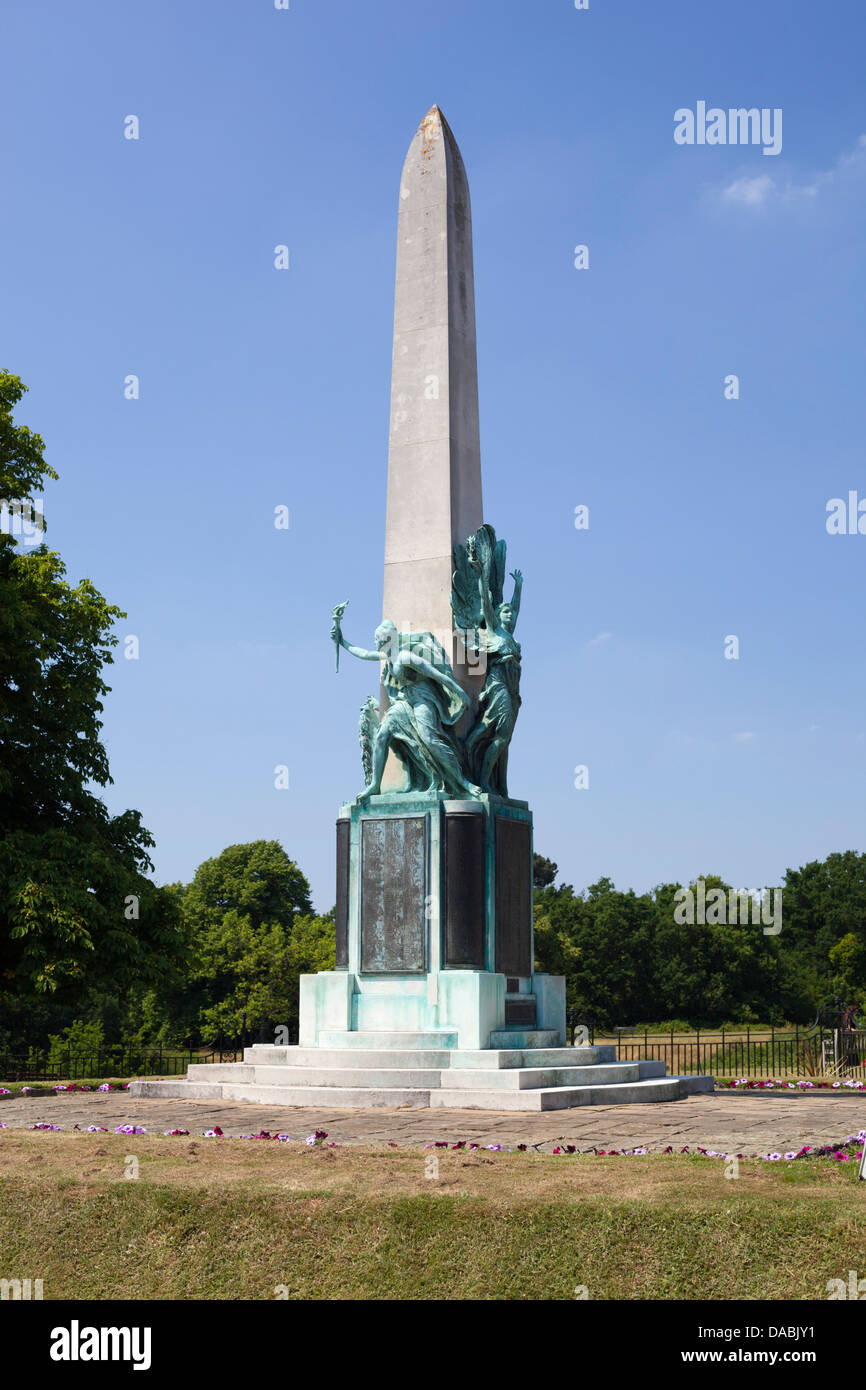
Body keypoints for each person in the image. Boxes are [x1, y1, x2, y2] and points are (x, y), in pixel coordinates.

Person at [331, 616, 481, 800]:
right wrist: (342, 639)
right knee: (382, 735)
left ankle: (462, 782)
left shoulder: (406, 657)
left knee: (429, 739)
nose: (375, 643)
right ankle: (375, 785)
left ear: (387, 640)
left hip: (422, 699)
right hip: (404, 701)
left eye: (377, 639)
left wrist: (461, 694)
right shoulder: (387, 656)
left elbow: (439, 676)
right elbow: (363, 653)